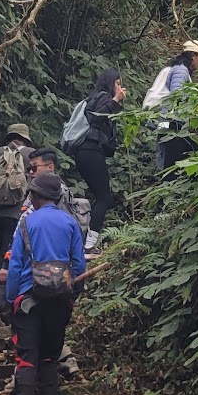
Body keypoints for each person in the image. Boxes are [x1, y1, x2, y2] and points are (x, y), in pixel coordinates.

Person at [5, 170, 86, 395]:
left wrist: (10, 298)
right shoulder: (69, 222)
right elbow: (79, 265)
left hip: (29, 300)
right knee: (50, 356)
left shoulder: (27, 224)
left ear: (36, 196)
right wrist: (72, 294)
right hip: (59, 301)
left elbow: (15, 265)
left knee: (26, 358)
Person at [0, 122, 33, 329]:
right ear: (25, 139)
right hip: (15, 214)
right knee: (9, 257)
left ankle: (4, 299)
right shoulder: (32, 154)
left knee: (4, 252)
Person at [73, 68, 126, 255]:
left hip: (84, 153)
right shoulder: (104, 97)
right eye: (117, 83)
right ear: (111, 83)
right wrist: (116, 100)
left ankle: (84, 240)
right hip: (91, 151)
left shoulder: (94, 97)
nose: (120, 88)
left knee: (98, 196)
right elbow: (96, 118)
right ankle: (89, 244)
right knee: (104, 197)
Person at [150, 40, 198, 169]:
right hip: (173, 124)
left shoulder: (178, 69)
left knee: (170, 157)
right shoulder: (181, 71)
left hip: (166, 122)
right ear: (193, 56)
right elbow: (176, 96)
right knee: (178, 157)